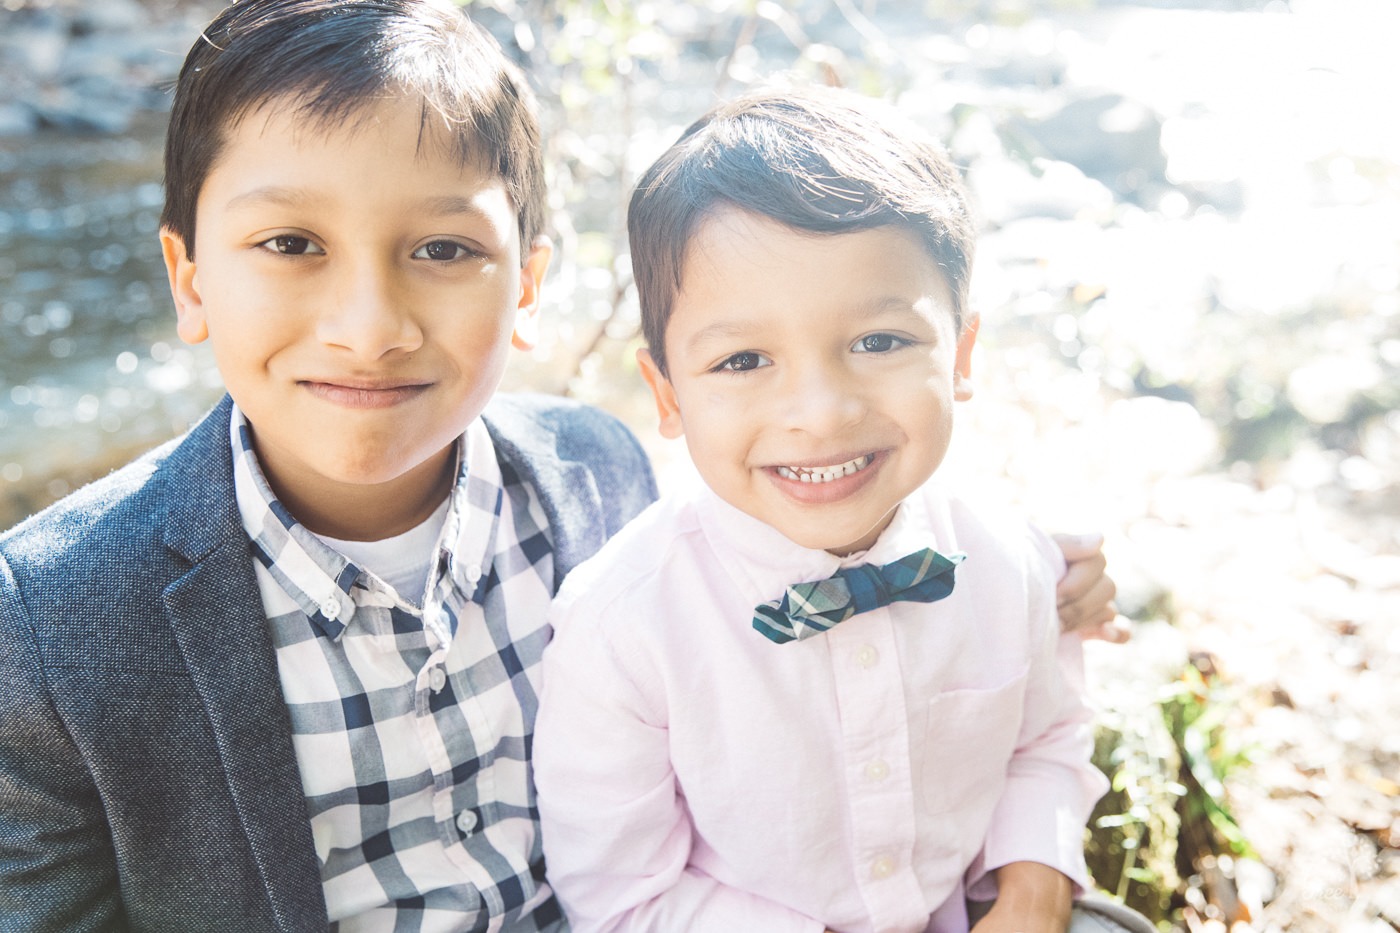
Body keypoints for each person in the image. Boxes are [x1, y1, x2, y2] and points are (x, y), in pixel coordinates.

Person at [0, 3, 1118, 931]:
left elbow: (792, 509)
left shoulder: (601, 471)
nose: (367, 325)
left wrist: (1038, 566)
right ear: (189, 279)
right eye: (290, 245)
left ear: (528, 285)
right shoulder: (49, 632)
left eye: (444, 249)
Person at [532, 87, 1153, 933]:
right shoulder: (623, 627)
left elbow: (1045, 742)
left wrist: (1033, 887)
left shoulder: (1008, 558)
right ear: (666, 394)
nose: (821, 412)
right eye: (745, 359)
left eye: (880, 342)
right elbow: (625, 895)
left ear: (962, 355)